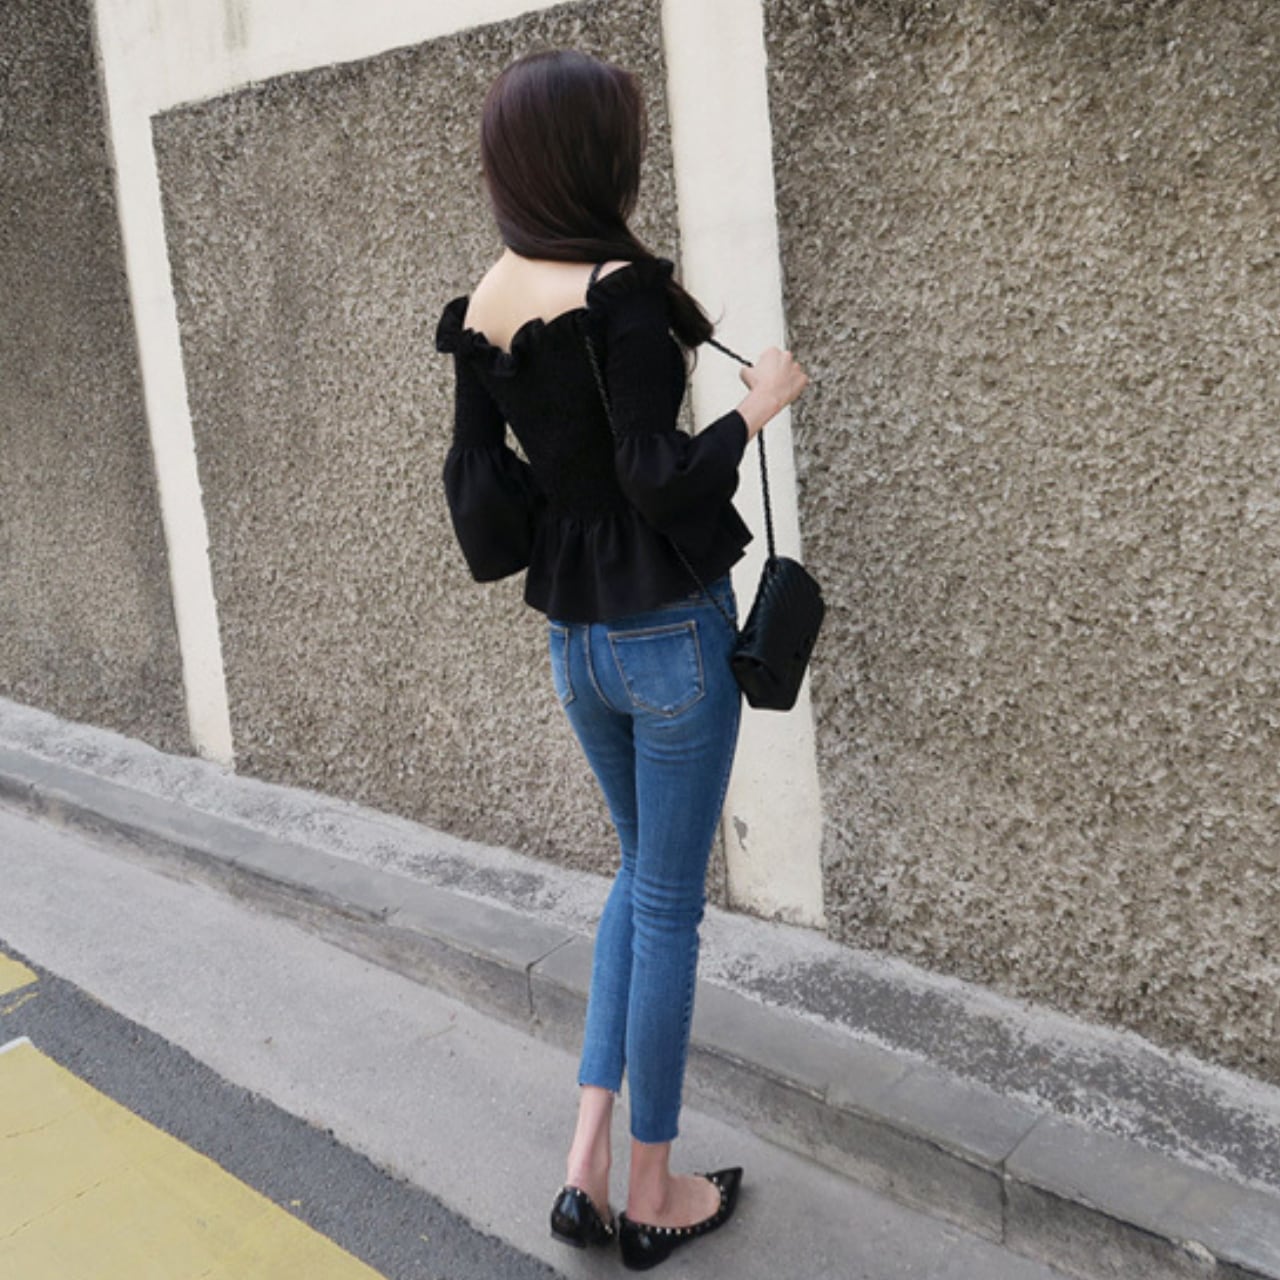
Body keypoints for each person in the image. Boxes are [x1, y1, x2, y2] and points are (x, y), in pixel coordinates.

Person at [435, 49, 808, 1271]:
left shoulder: (487, 298)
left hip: (575, 641)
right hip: (667, 635)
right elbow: (657, 475)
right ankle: (652, 1187)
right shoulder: (622, 295)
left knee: (636, 874)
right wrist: (755, 405)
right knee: (666, 903)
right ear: (600, 161)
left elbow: (480, 488)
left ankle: (582, 1160)